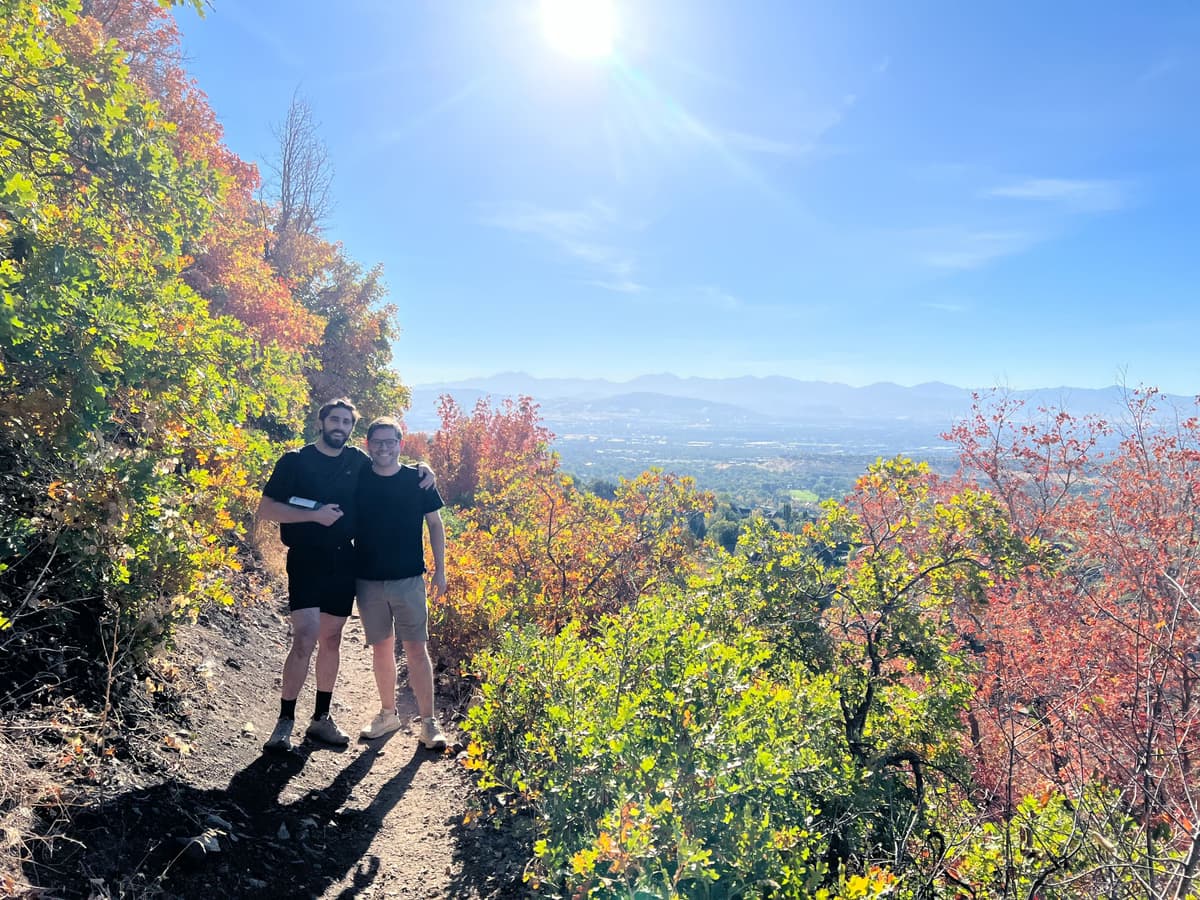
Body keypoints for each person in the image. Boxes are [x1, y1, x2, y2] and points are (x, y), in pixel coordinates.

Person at [257, 399, 434, 753]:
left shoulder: (357, 461)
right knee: (305, 636)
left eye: (346, 422)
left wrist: (424, 467)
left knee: (333, 639)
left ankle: (321, 719)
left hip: (344, 560)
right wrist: (314, 515)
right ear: (321, 422)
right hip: (306, 558)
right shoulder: (295, 460)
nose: (340, 426)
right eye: (334, 420)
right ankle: (284, 721)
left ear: (352, 428)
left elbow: (390, 463)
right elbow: (266, 509)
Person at [354, 416, 449, 750]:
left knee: (416, 648)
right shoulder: (359, 476)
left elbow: (435, 525)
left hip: (409, 578)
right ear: (368, 445)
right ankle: (388, 714)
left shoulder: (418, 480)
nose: (383, 448)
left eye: (390, 442)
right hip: (368, 579)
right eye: (377, 442)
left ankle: (429, 723)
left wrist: (441, 570)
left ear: (400, 444)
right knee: (381, 648)